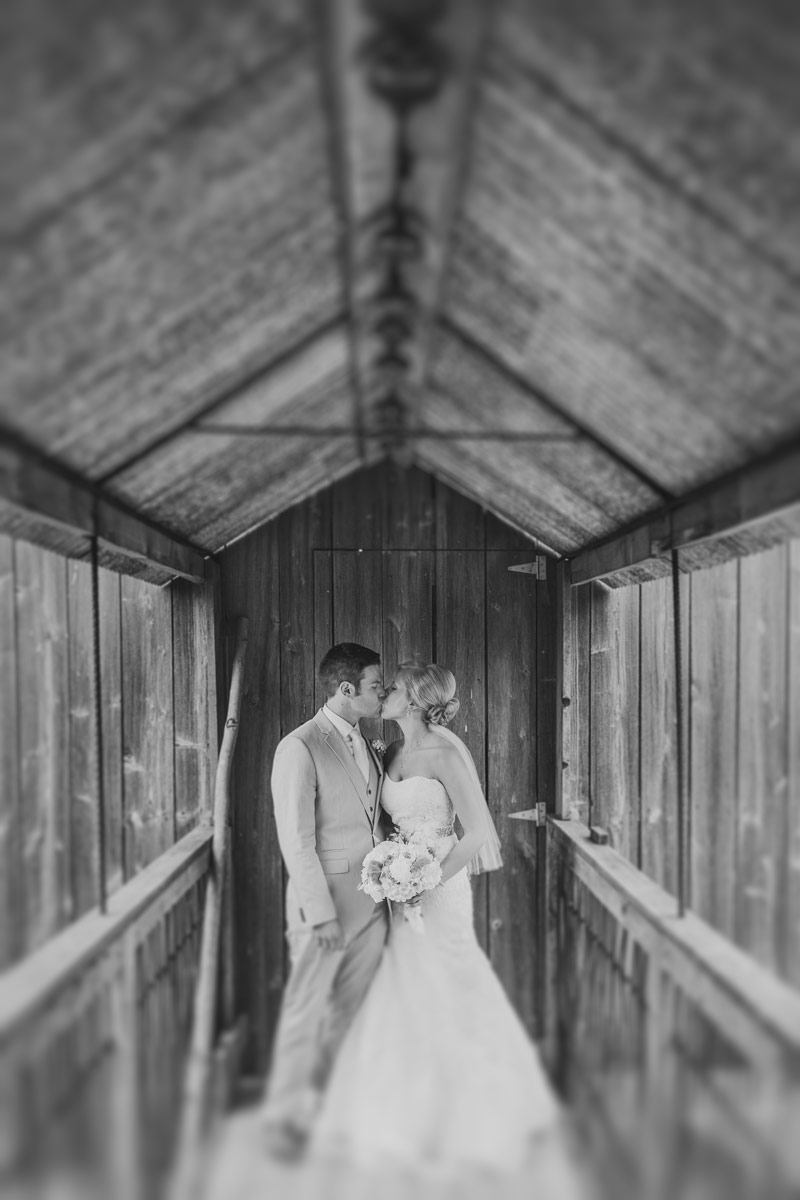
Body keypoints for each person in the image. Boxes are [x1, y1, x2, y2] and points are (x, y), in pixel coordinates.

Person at [308, 660, 563, 1181]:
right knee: (406, 985)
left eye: (394, 688)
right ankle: (407, 1116)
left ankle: (473, 1119)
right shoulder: (390, 751)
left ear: (415, 700)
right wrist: (390, 868)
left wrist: (427, 879)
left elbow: (477, 832)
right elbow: (381, 818)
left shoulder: (445, 753)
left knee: (450, 980)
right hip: (399, 886)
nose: (385, 693)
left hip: (440, 888)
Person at [260, 643, 390, 1161]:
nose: (383, 693)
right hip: (327, 909)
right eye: (376, 686)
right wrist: (320, 915)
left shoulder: (369, 742)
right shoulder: (299, 746)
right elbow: (296, 841)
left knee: (348, 1013)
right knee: (306, 1010)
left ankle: (332, 1111)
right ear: (346, 689)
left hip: (373, 906)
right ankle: (283, 1118)